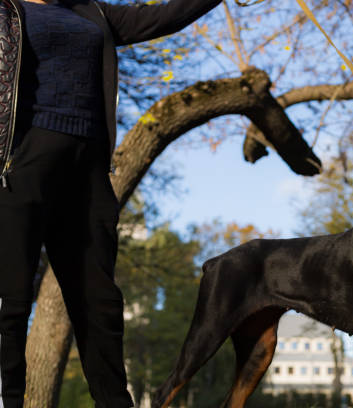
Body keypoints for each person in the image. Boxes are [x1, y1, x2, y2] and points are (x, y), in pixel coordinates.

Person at [0, 0, 221, 405]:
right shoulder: (8, 10)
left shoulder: (93, 12)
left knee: (100, 304)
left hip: (87, 173)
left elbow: (165, 14)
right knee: (9, 300)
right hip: (21, 163)